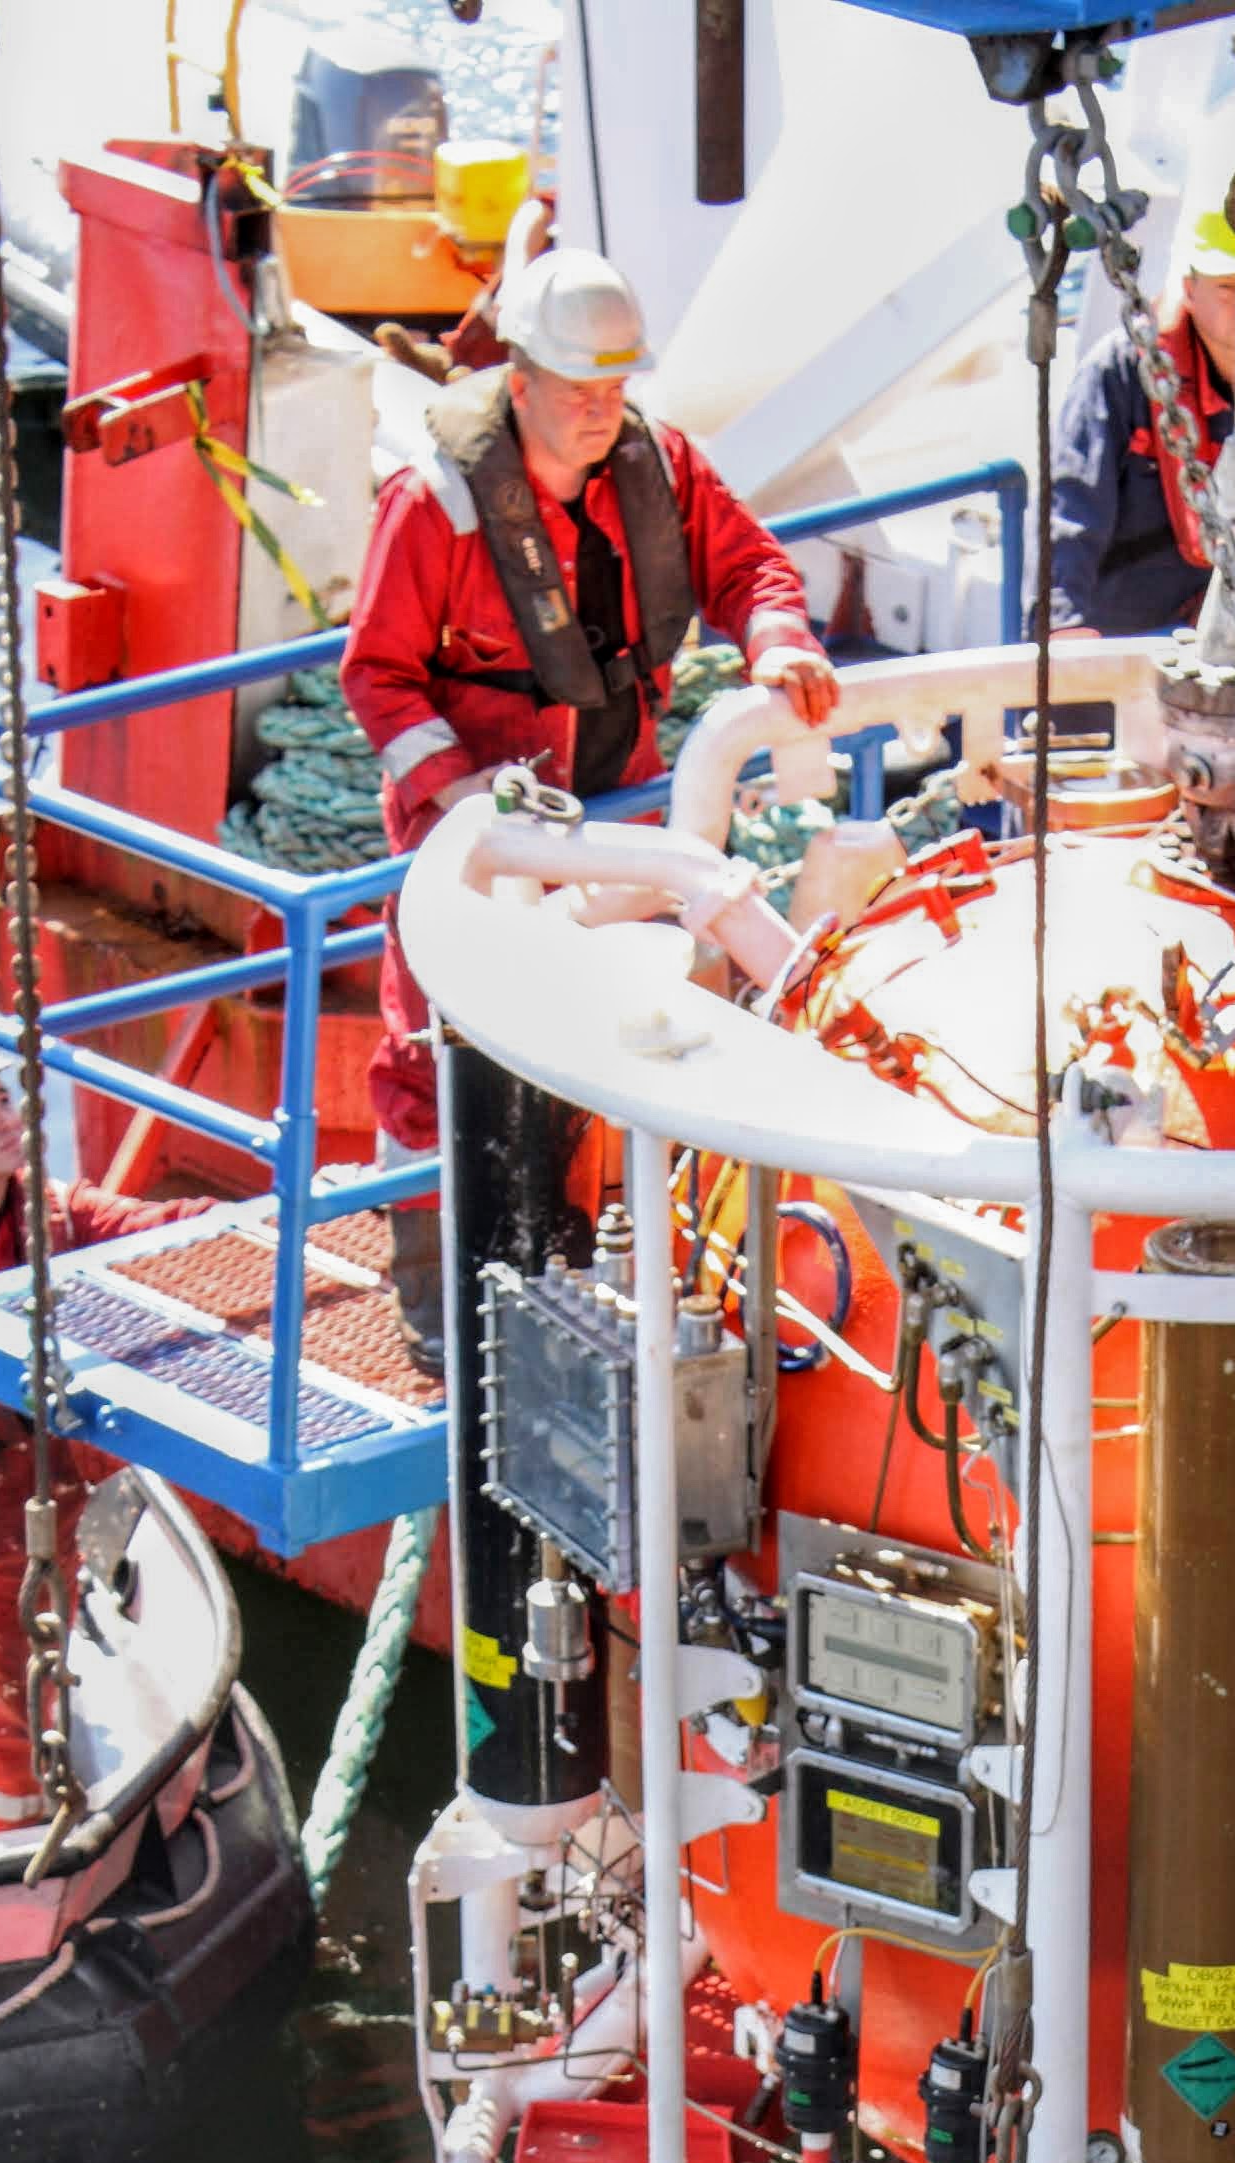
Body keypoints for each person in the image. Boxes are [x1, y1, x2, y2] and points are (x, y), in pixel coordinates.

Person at [341, 244, 837, 1361]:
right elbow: (375, 673)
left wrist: (777, 642)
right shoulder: (437, 508)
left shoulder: (659, 472)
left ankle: (596, 1255)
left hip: (623, 816)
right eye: (578, 393)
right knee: (436, 1044)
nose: (600, 414)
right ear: (518, 385)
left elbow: (752, 568)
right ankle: (436, 1300)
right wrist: (456, 791)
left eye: (616, 390)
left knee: (626, 1024)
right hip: (475, 843)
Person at [0, 1049, 202, 1834]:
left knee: (10, 1698)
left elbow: (163, 1232)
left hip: (5, 1507)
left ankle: (2, 1844)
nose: (9, 1122)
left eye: (6, 1101)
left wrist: (287, 1213)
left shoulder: (57, 1219)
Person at [1046, 181, 1235, 637]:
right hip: (1114, 639)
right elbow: (1070, 510)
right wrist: (1064, 624)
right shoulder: (1121, 376)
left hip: (1228, 644)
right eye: (1229, 288)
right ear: (1190, 288)